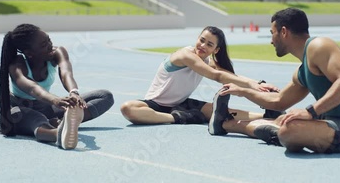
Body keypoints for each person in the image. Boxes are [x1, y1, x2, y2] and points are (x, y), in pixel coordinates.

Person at [209, 8, 340, 154]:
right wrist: (243, 91)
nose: (271, 41)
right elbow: (279, 101)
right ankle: (227, 124)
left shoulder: (319, 45)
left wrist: (310, 112)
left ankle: (280, 132)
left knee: (290, 129)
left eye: (272, 33)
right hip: (329, 124)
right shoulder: (303, 70)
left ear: (283, 32)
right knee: (287, 122)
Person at [120, 26, 283, 125]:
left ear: (216, 50)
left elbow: (229, 75)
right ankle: (177, 118)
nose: (203, 46)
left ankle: (267, 117)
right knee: (128, 108)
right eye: (202, 40)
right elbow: (216, 76)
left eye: (209, 44)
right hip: (156, 104)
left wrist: (259, 84)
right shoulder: (185, 54)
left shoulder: (206, 60)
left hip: (182, 104)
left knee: (222, 111)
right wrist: (254, 86)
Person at [0, 24, 114, 150]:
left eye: (49, 40)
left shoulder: (57, 53)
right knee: (37, 119)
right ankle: (58, 134)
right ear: (29, 53)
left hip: (46, 107)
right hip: (21, 111)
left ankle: (67, 122)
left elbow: (66, 74)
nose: (50, 46)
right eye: (43, 45)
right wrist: (55, 100)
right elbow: (33, 89)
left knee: (105, 96)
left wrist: (74, 93)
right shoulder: (17, 64)